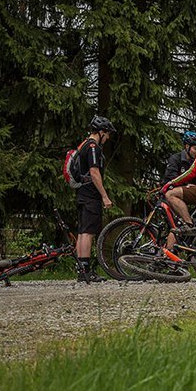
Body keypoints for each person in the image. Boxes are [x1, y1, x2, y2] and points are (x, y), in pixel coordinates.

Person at [76, 115, 116, 282]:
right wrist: (104, 196)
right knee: (88, 232)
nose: (107, 139)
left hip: (81, 193)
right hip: (90, 195)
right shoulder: (93, 148)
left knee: (81, 231)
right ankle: (86, 271)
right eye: (107, 135)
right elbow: (94, 172)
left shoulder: (83, 145)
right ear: (101, 132)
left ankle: (81, 268)